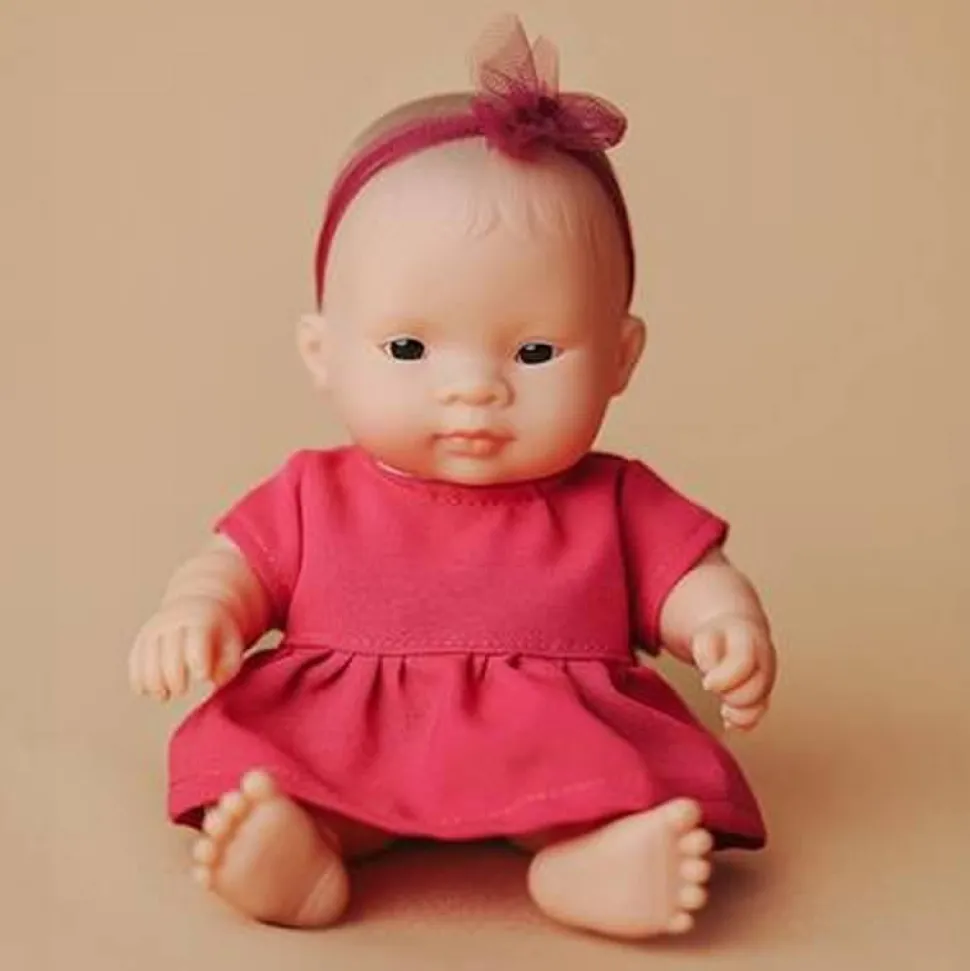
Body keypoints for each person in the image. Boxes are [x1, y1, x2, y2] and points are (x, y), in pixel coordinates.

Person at [128, 16, 777, 939]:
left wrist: (724, 624)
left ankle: (590, 862)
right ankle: (302, 850)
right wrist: (196, 611)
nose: (475, 387)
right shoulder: (315, 491)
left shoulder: (615, 498)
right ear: (321, 352)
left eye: (536, 350)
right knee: (285, 771)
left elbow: (690, 575)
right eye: (408, 348)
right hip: (347, 730)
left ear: (622, 356)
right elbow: (234, 563)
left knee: (600, 786)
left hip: (551, 735)